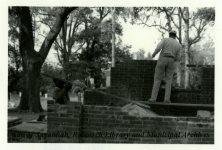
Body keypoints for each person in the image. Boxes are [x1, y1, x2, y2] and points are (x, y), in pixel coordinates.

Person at [149, 30, 182, 103]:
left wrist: (154, 54)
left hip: (163, 59)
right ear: (175, 36)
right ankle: (166, 99)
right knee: (169, 80)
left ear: (169, 35)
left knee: (157, 79)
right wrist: (174, 61)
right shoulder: (178, 45)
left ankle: (153, 98)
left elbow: (158, 48)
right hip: (172, 60)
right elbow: (179, 57)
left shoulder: (165, 40)